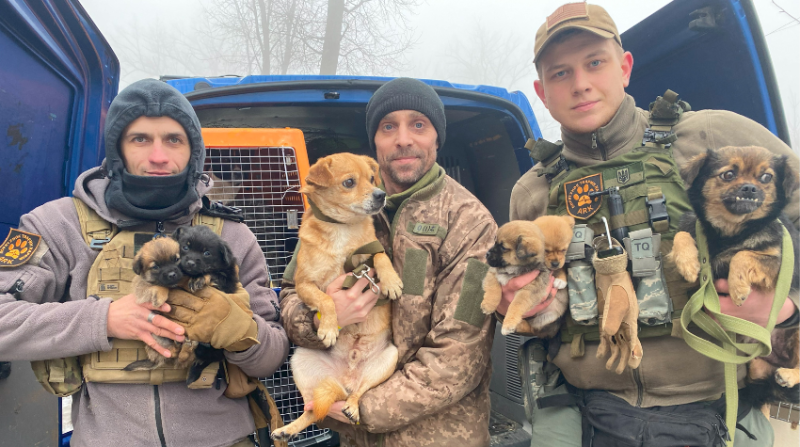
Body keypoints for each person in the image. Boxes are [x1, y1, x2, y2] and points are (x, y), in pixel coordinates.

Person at [500, 3, 800, 447]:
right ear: (542, 93)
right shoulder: (532, 192)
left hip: (718, 407)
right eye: (560, 73)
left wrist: (787, 306)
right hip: (590, 412)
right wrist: (531, 311)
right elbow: (542, 320)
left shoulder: (713, 135)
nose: (580, 84)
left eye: (595, 63)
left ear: (624, 68)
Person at [0, 79, 289, 447]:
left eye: (173, 139)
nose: (158, 156)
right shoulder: (56, 224)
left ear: (193, 151)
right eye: (140, 139)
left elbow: (272, 356)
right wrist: (104, 319)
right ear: (116, 147)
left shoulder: (231, 235)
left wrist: (240, 333)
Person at [280, 77, 498, 446]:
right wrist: (322, 315)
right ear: (375, 142)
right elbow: (289, 296)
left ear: (436, 138)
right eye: (388, 126)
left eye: (418, 124)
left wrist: (362, 408)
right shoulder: (333, 213)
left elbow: (459, 354)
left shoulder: (471, 224)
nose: (403, 139)